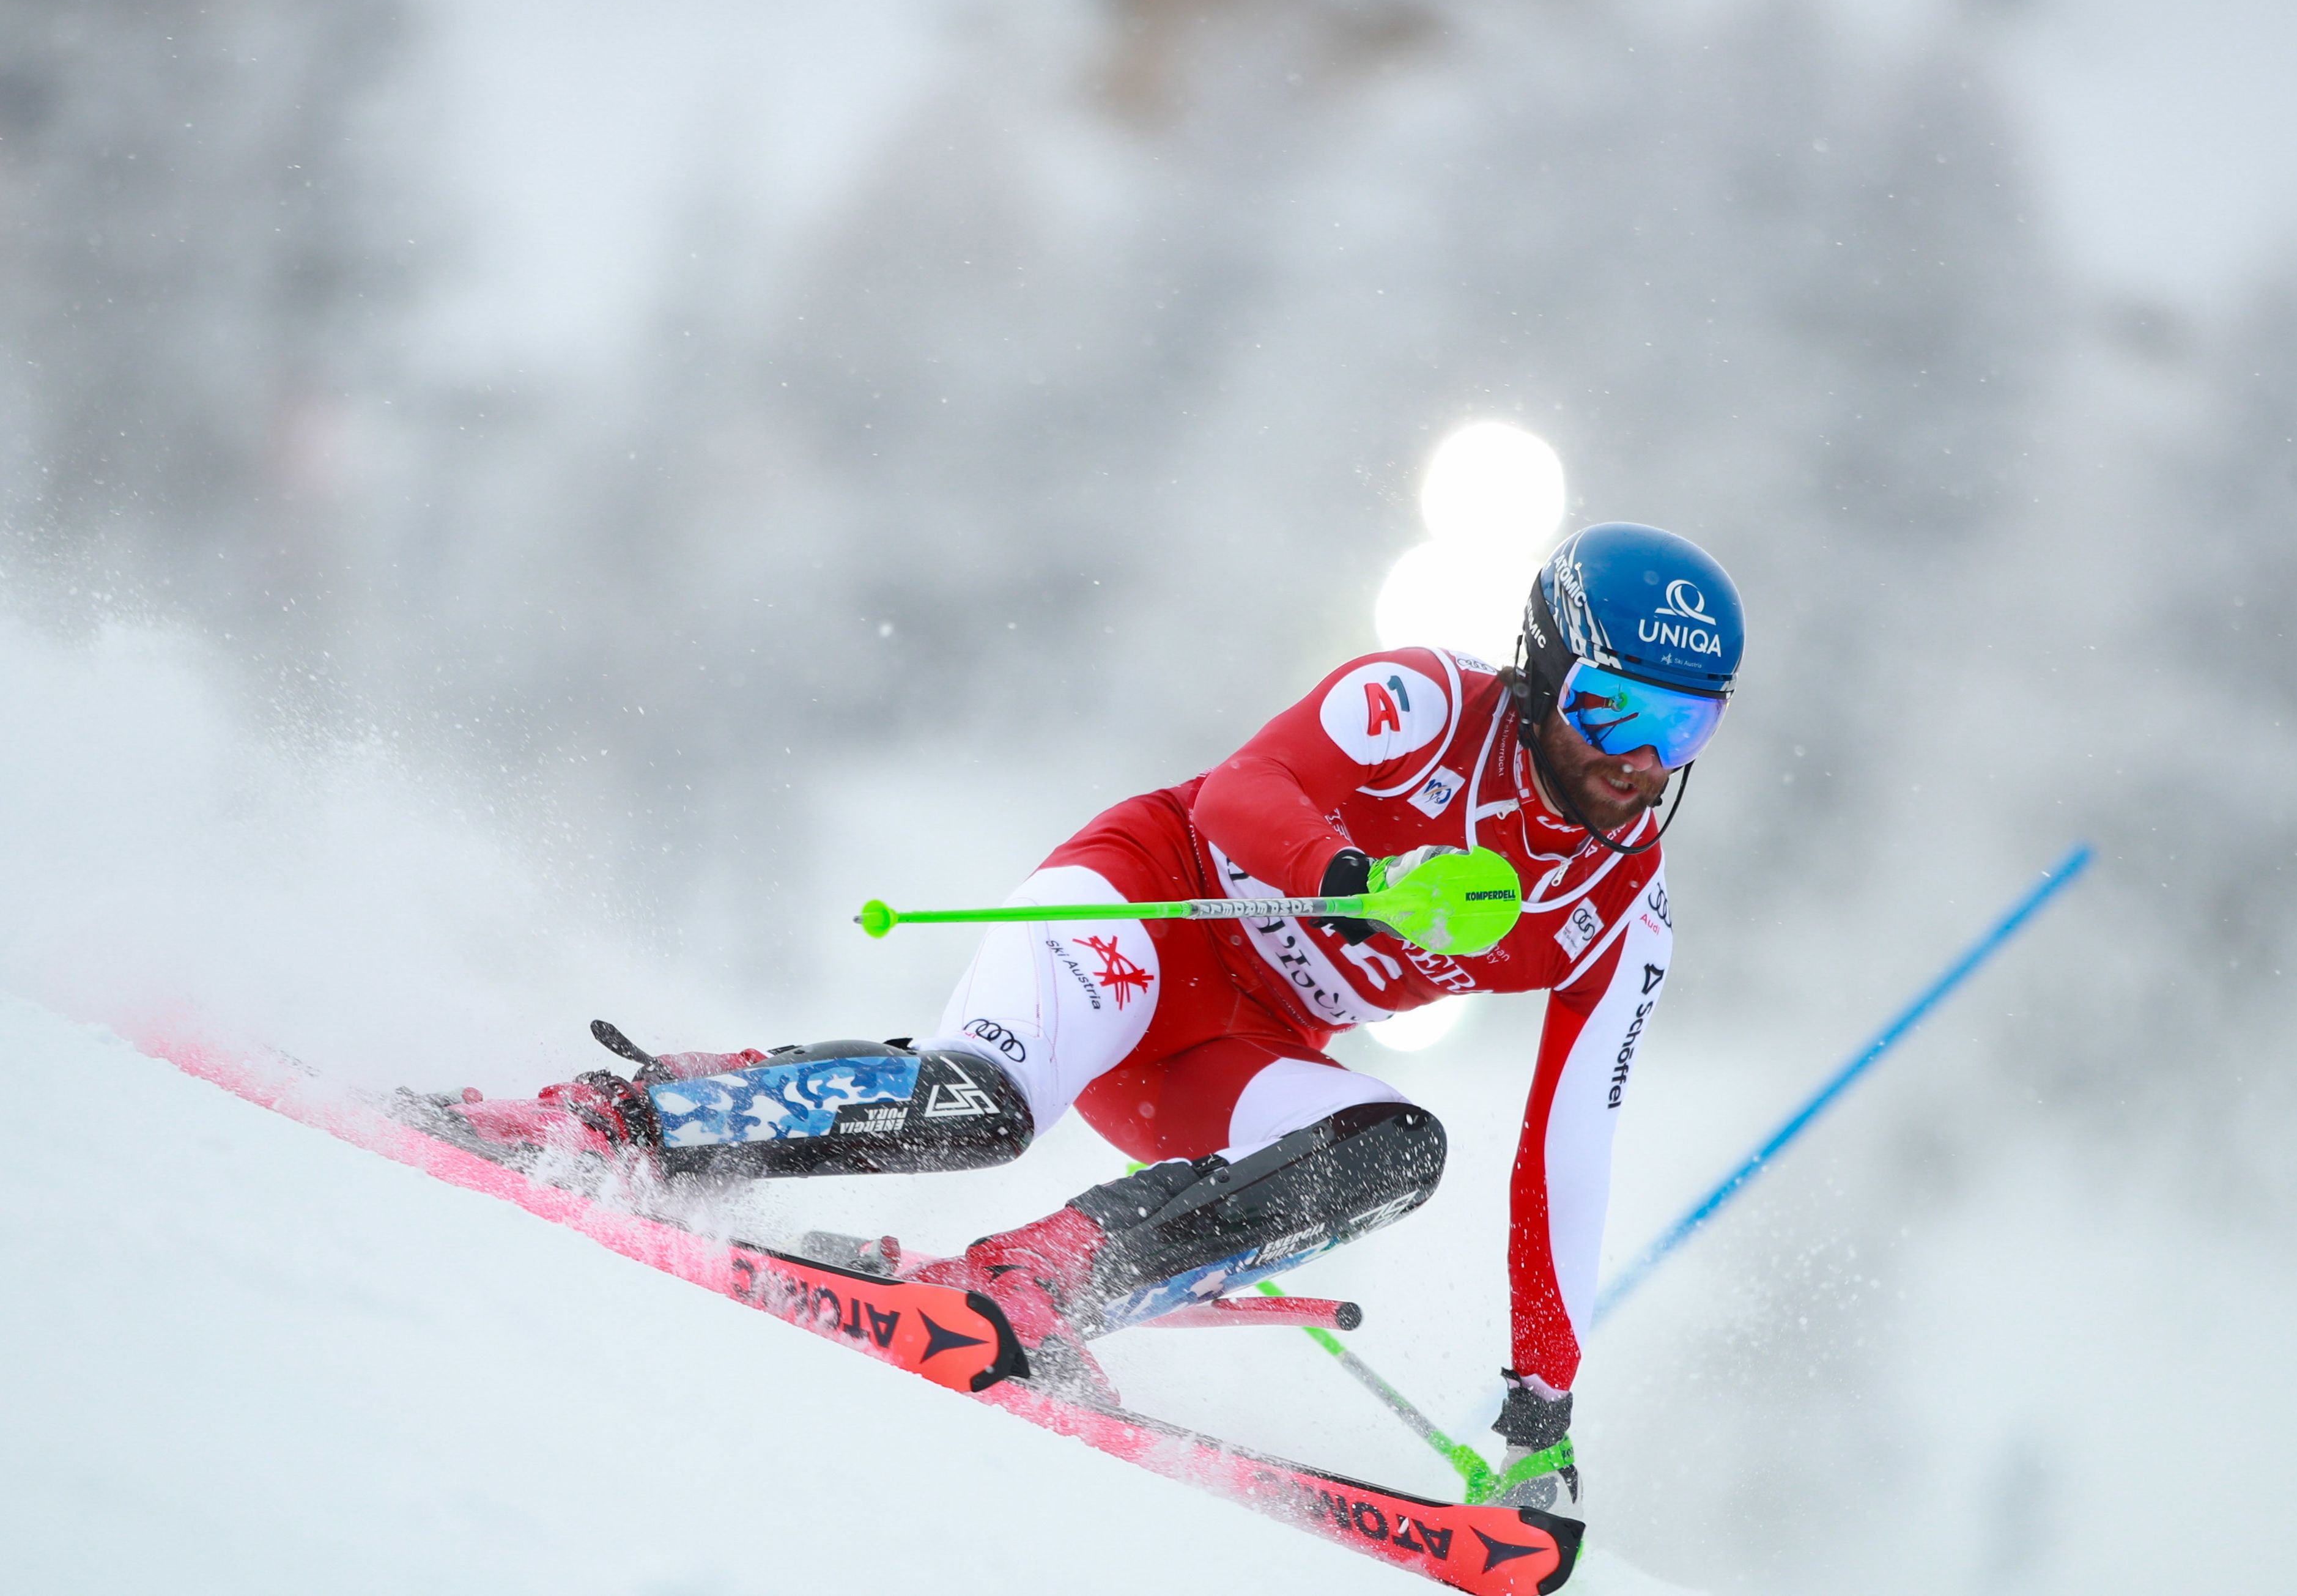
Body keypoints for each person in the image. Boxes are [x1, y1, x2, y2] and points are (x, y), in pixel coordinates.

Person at [459, 520, 1744, 1510]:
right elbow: (1244, 794)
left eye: (1679, 725)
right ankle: (628, 1115)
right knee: (977, 1108)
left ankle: (1041, 1280)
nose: (1635, 761)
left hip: (1235, 1048)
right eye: (1606, 707)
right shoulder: (1416, 704)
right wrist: (1362, 883)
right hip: (1147, 902)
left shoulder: (1628, 914)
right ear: (1540, 671)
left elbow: (1568, 1147)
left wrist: (1542, 1398)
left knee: (1400, 1146)